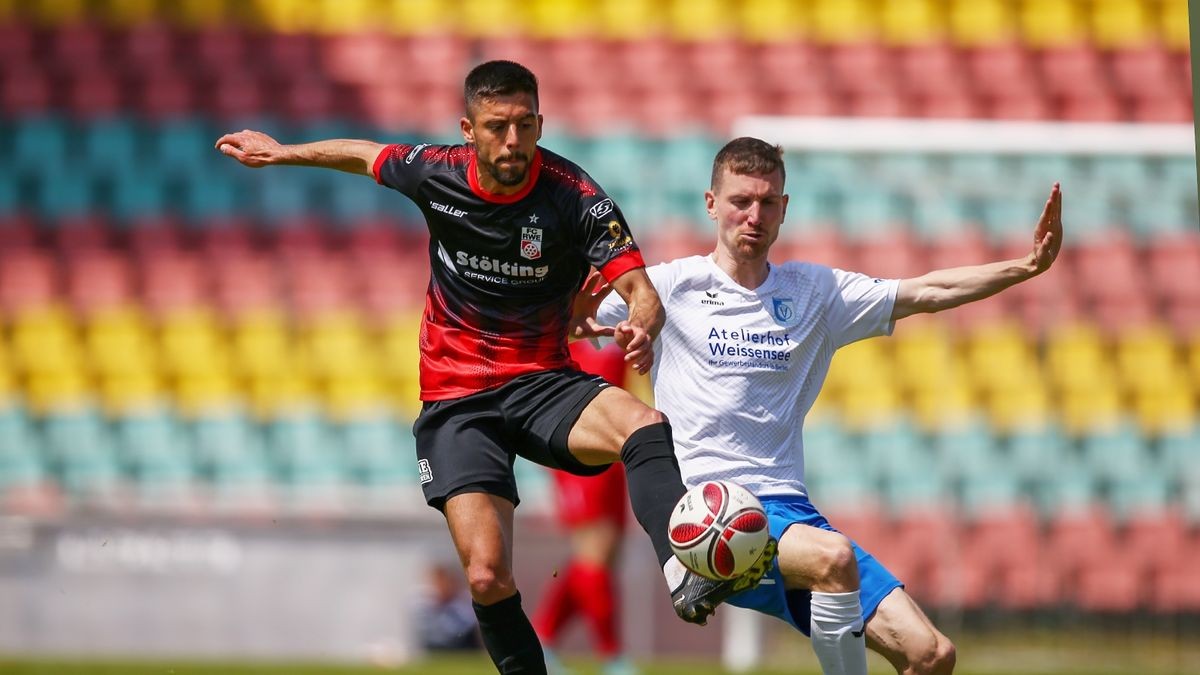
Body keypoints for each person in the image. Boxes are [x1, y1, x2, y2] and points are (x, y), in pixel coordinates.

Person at [214, 61, 773, 675]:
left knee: (642, 424)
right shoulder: (437, 171)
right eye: (498, 127)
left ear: (540, 122)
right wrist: (282, 153)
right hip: (456, 399)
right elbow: (362, 153)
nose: (513, 142)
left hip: (542, 382)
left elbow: (639, 286)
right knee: (485, 575)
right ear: (468, 128)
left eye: (525, 125)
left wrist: (642, 320)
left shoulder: (575, 196)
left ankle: (681, 563)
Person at [582, 137, 1063, 675]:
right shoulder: (670, 287)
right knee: (832, 558)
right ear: (711, 203)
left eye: (767, 203)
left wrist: (1025, 267)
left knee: (931, 655)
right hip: (717, 516)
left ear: (784, 209)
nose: (754, 215)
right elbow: (576, 309)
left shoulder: (816, 292)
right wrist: (576, 320)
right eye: (741, 201)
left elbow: (927, 290)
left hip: (792, 512)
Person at [533, 340, 639, 675]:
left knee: (604, 558)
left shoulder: (618, 311)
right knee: (595, 548)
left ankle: (541, 640)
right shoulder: (561, 323)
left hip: (613, 449)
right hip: (575, 447)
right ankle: (612, 657)